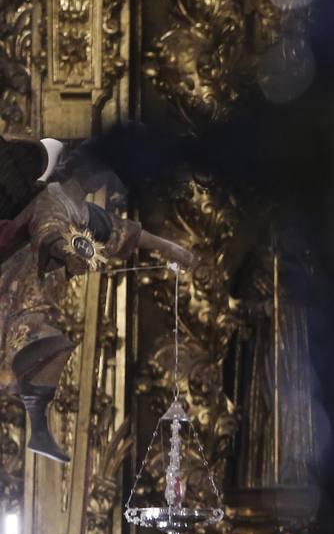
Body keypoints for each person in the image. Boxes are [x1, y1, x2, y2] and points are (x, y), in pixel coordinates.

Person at [0, 138, 193, 463]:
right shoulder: (52, 200)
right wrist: (66, 252)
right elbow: (50, 230)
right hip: (15, 289)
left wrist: (169, 249)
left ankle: (39, 429)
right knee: (33, 344)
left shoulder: (83, 212)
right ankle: (31, 414)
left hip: (34, 298)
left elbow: (121, 231)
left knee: (51, 348)